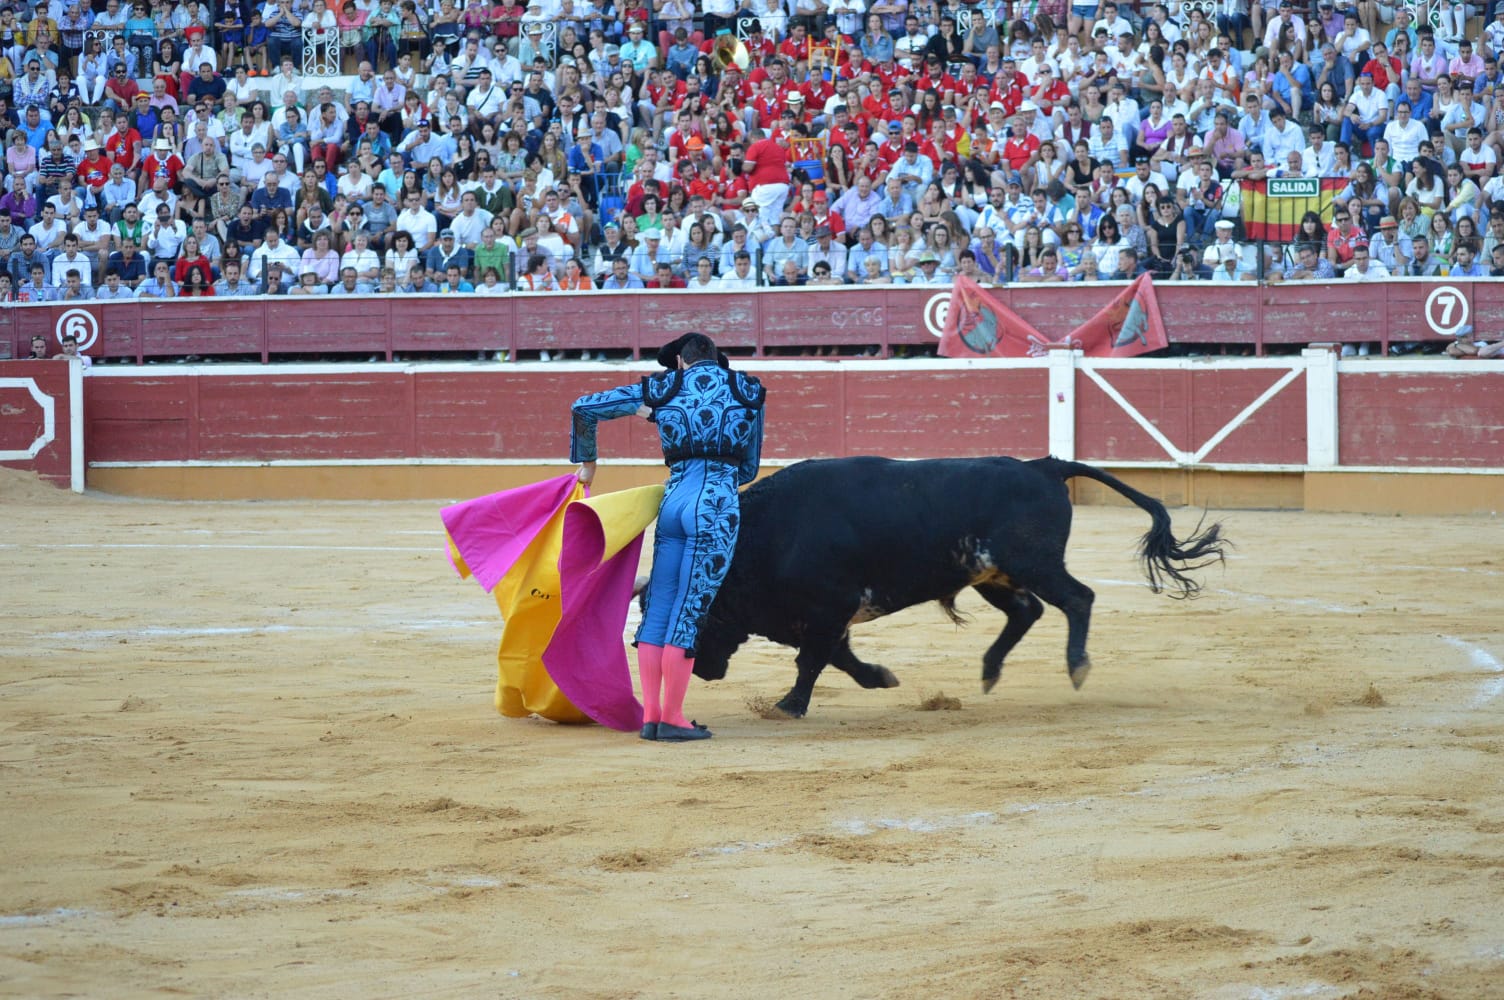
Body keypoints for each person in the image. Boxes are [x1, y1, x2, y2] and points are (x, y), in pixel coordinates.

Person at [569, 333, 766, 743]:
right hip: (714, 505)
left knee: (658, 607)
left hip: (673, 502)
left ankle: (653, 716)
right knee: (688, 610)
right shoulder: (748, 390)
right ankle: (674, 717)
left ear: (680, 361)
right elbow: (747, 468)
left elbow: (583, 407)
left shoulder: (663, 388)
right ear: (716, 359)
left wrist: (588, 464)